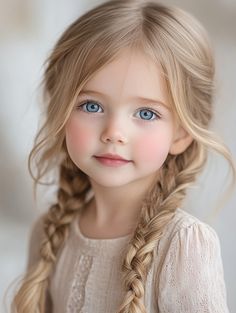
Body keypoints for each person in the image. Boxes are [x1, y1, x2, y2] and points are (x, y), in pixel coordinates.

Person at [10, 0, 236, 312]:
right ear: (60, 111)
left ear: (182, 133)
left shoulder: (184, 246)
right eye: (92, 106)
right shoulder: (49, 233)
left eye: (146, 112)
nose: (114, 132)